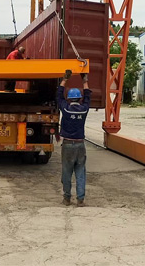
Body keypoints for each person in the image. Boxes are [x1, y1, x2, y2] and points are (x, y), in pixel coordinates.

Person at [57, 69, 91, 207]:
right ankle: (80, 199)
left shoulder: (65, 109)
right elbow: (88, 96)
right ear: (79, 98)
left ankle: (67, 198)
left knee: (66, 172)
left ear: (69, 98)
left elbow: (59, 96)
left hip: (67, 145)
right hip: (80, 145)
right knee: (80, 172)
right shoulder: (84, 109)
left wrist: (65, 79)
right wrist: (85, 81)